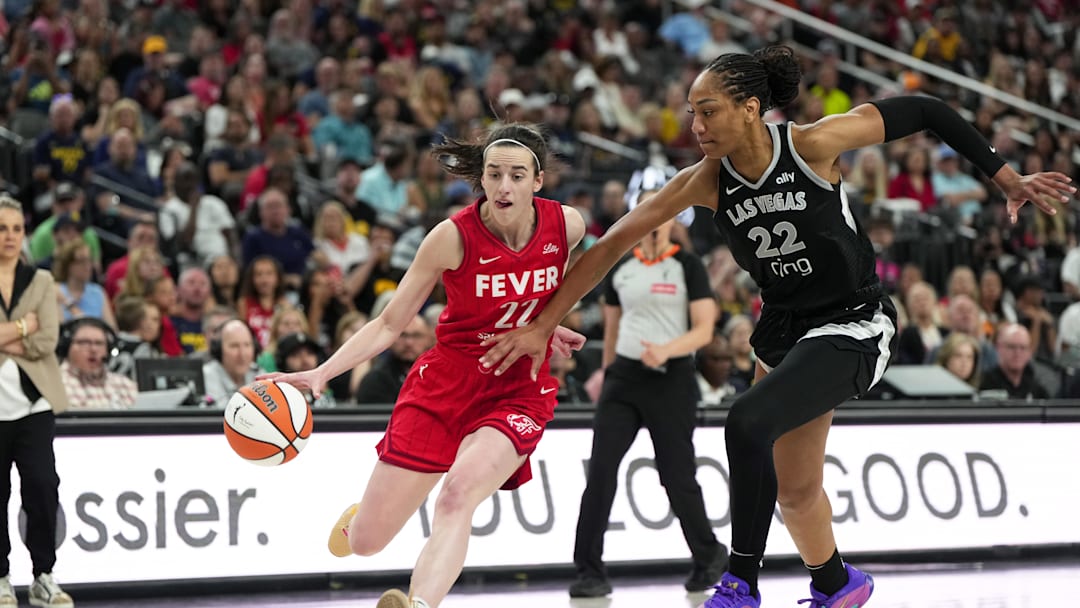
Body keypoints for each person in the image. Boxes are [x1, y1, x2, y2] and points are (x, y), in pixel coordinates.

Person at [480, 46, 1073, 608]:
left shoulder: (815, 144)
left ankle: (739, 580)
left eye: (707, 112)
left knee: (747, 421)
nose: (697, 126)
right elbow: (610, 246)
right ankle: (837, 583)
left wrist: (1003, 177)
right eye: (692, 114)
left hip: (853, 319)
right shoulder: (704, 181)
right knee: (795, 491)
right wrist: (542, 323)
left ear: (749, 109)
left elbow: (928, 109)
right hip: (783, 329)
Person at [261, 123, 588, 608]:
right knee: (368, 542)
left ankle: (418, 604)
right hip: (448, 380)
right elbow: (391, 324)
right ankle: (360, 519)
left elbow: (564, 281)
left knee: (458, 495)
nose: (504, 187)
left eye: (517, 176)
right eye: (494, 174)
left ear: (537, 182)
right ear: (480, 178)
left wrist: (543, 323)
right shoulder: (450, 238)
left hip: (517, 388)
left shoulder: (568, 225)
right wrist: (322, 372)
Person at [569, 189, 727, 598]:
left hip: (671, 379)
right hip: (624, 380)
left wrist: (667, 351)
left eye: (663, 213)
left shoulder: (687, 266)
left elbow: (704, 330)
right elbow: (612, 331)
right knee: (601, 472)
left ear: (672, 219)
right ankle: (588, 570)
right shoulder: (620, 269)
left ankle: (709, 556)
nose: (655, 220)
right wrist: (607, 375)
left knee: (677, 476)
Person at [0, 195, 75, 608]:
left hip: (34, 404)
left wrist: (11, 334)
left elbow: (48, 339)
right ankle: (0, 577)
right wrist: (21, 327)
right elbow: (34, 335)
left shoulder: (42, 281)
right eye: (2, 228)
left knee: (43, 488)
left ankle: (43, 574)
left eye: (16, 228)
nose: (9, 237)